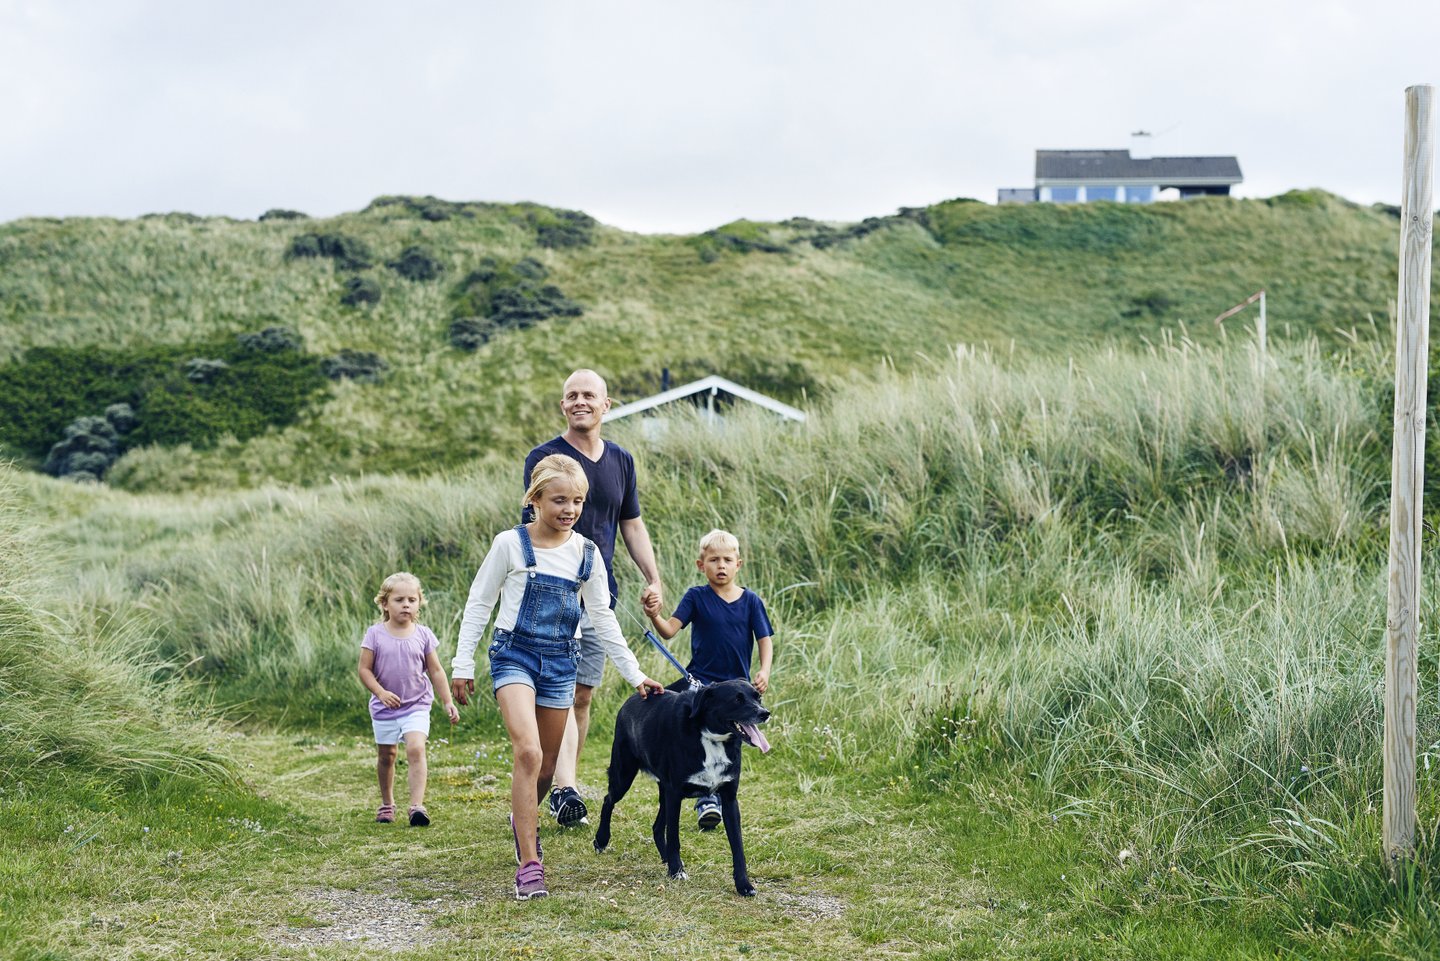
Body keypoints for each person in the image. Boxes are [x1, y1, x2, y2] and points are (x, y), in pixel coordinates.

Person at [453, 368, 663, 829]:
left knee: (581, 696)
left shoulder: (622, 461)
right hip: (541, 610)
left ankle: (558, 782)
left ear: (607, 404)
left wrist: (653, 576)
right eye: (572, 395)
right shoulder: (545, 456)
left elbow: (631, 523)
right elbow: (526, 536)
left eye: (590, 394)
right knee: (555, 709)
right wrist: (463, 661)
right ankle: (564, 787)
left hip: (597, 595)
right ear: (563, 404)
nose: (580, 401)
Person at [451, 453, 665, 899]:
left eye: (578, 502)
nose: (569, 510)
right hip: (514, 655)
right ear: (535, 499)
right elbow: (478, 603)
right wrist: (462, 664)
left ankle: (522, 814)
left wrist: (635, 674)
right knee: (527, 752)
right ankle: (530, 863)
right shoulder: (509, 544)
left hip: (561, 663)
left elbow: (603, 619)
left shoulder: (586, 554)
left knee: (547, 767)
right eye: (559, 500)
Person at [643, 528, 774, 830]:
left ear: (739, 564)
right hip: (701, 689)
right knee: (692, 741)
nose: (721, 565)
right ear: (701, 565)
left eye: (728, 559)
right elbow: (669, 630)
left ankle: (716, 794)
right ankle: (702, 795)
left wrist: (764, 670)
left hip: (739, 693)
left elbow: (765, 639)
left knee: (731, 746)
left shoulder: (751, 601)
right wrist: (653, 615)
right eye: (713, 560)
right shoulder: (696, 597)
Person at [358, 572, 459, 828]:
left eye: (412, 600)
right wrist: (380, 692)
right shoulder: (375, 634)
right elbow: (364, 670)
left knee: (416, 748)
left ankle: (416, 806)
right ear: (384, 603)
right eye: (399, 599)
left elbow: (436, 670)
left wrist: (447, 701)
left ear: (419, 603)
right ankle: (387, 803)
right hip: (384, 708)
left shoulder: (423, 635)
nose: (406, 604)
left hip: (417, 705)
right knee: (387, 756)